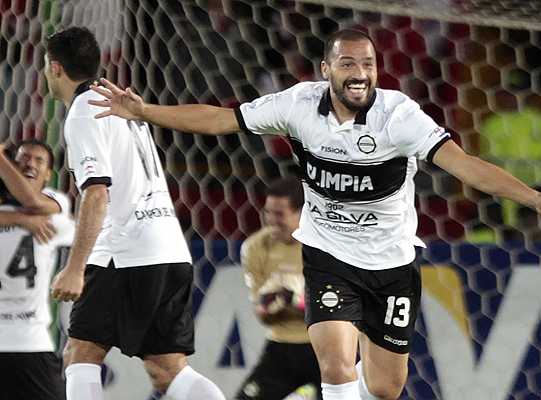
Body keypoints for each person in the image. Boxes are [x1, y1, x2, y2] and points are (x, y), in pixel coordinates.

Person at [90, 29, 541, 400]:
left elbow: (461, 163)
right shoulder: (298, 106)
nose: (360, 73)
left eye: (368, 64)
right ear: (326, 69)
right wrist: (146, 111)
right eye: (348, 64)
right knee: (334, 360)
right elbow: (226, 118)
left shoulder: (400, 117)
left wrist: (534, 198)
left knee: (386, 387)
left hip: (393, 263)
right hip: (330, 254)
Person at [43, 27, 225, 400]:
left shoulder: (84, 112)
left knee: (81, 353)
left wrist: (76, 267)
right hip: (168, 249)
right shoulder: (119, 105)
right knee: (167, 371)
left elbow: (96, 193)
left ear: (55, 68)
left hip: (123, 252)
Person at [0, 139, 75, 400]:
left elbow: (33, 201)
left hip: (29, 340)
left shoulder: (55, 208)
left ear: (48, 175)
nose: (29, 163)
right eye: (22, 158)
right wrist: (19, 220)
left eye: (38, 160)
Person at [236, 177, 321, 400]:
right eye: (268, 213)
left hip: (326, 346)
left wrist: (296, 300)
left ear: (301, 213)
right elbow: (263, 315)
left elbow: (339, 307)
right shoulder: (254, 247)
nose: (272, 221)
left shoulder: (323, 246)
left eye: (280, 214)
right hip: (281, 346)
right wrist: (276, 300)